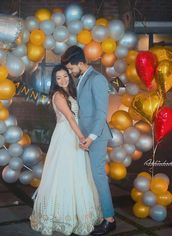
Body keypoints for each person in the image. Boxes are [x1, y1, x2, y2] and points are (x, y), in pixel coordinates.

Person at [30, 64, 102, 235]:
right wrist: (82, 138)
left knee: (79, 173)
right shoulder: (58, 96)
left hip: (74, 132)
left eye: (65, 76)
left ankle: (80, 215)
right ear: (54, 81)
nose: (62, 80)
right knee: (64, 173)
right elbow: (70, 118)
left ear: (69, 76)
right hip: (66, 136)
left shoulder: (71, 93)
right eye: (58, 78)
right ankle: (62, 216)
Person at [61, 46, 115, 236]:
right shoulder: (83, 78)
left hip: (97, 136)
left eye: (71, 68)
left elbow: (101, 113)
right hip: (86, 137)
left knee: (99, 176)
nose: (70, 71)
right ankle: (101, 215)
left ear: (81, 63)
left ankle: (109, 220)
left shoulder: (97, 79)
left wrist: (91, 138)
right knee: (92, 177)